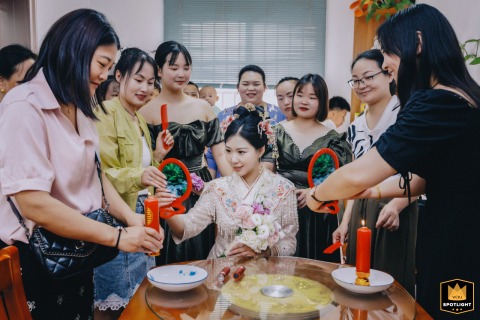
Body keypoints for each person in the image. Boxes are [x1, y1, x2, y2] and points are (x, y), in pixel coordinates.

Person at [307, 4, 480, 319]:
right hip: (459, 238)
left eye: (387, 57)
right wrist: (374, 193)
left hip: (458, 246)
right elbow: (437, 175)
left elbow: (360, 172)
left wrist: (317, 195)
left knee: (451, 313)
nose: (387, 66)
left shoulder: (438, 103)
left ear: (416, 43)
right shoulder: (463, 97)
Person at [0, 9, 163, 319]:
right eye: (102, 64)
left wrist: (133, 220)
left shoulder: (81, 108)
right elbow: (34, 204)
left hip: (77, 250)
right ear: (71, 51)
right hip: (37, 256)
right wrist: (117, 237)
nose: (104, 76)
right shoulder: (24, 106)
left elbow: (98, 178)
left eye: (110, 67)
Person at [93, 48, 173, 319]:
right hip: (117, 216)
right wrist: (139, 176)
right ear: (119, 76)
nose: (145, 88)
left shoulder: (137, 118)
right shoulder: (106, 112)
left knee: (139, 296)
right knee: (115, 299)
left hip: (142, 213)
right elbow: (104, 172)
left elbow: (139, 169)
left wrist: (158, 154)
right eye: (138, 79)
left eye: (150, 83)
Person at [332, 49, 418, 296]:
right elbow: (355, 177)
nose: (362, 85)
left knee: (389, 280)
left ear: (389, 75)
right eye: (356, 80)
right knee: (358, 277)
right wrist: (345, 222)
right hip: (361, 204)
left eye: (369, 77)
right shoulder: (356, 125)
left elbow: (420, 172)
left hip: (396, 203)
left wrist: (397, 206)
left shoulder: (406, 114)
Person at [162, 105, 298, 259]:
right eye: (228, 150)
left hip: (264, 272)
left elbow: (289, 242)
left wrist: (265, 252)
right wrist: (166, 211)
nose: (233, 159)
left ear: (260, 150)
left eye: (241, 152)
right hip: (222, 269)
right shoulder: (218, 188)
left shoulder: (283, 189)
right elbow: (187, 227)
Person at [139, 40, 232, 264]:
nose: (181, 73)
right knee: (168, 255)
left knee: (202, 252)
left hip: (202, 188)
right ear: (159, 70)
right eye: (174, 67)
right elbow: (141, 162)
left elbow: (220, 156)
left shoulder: (203, 108)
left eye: (186, 67)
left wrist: (235, 189)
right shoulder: (145, 112)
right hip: (164, 190)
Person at [273, 73, 352, 262]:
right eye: (300, 95)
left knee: (316, 274)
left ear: (322, 101)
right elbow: (266, 172)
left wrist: (312, 191)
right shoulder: (277, 131)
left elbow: (343, 179)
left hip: (319, 212)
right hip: (282, 209)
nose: (304, 101)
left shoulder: (333, 138)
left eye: (312, 97)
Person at [207, 65, 286, 178]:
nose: (251, 88)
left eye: (256, 84)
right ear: (238, 87)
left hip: (266, 181)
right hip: (228, 179)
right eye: (245, 84)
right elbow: (212, 154)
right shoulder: (223, 116)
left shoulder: (278, 115)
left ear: (265, 87)